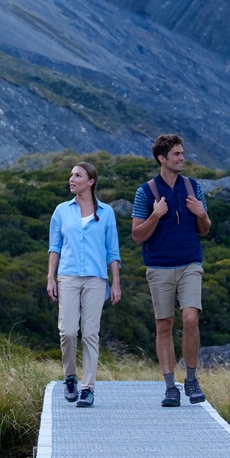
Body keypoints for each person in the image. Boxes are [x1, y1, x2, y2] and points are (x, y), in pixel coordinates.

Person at [130, 133, 210, 406]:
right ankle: (169, 387)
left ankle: (191, 379)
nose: (182, 158)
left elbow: (205, 229)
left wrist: (202, 214)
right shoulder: (146, 191)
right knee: (164, 324)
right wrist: (155, 215)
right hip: (159, 266)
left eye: (182, 152)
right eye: (176, 154)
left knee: (190, 318)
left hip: (190, 262)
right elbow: (137, 235)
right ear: (162, 159)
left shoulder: (193, 187)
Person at [46, 159, 120, 408]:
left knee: (90, 334)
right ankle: (70, 376)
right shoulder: (61, 211)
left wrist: (116, 283)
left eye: (77, 176)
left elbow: (113, 251)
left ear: (91, 181)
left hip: (96, 279)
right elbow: (54, 246)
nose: (72, 179)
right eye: (71, 175)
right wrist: (50, 277)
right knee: (67, 332)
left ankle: (88, 388)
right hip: (67, 276)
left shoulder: (107, 212)